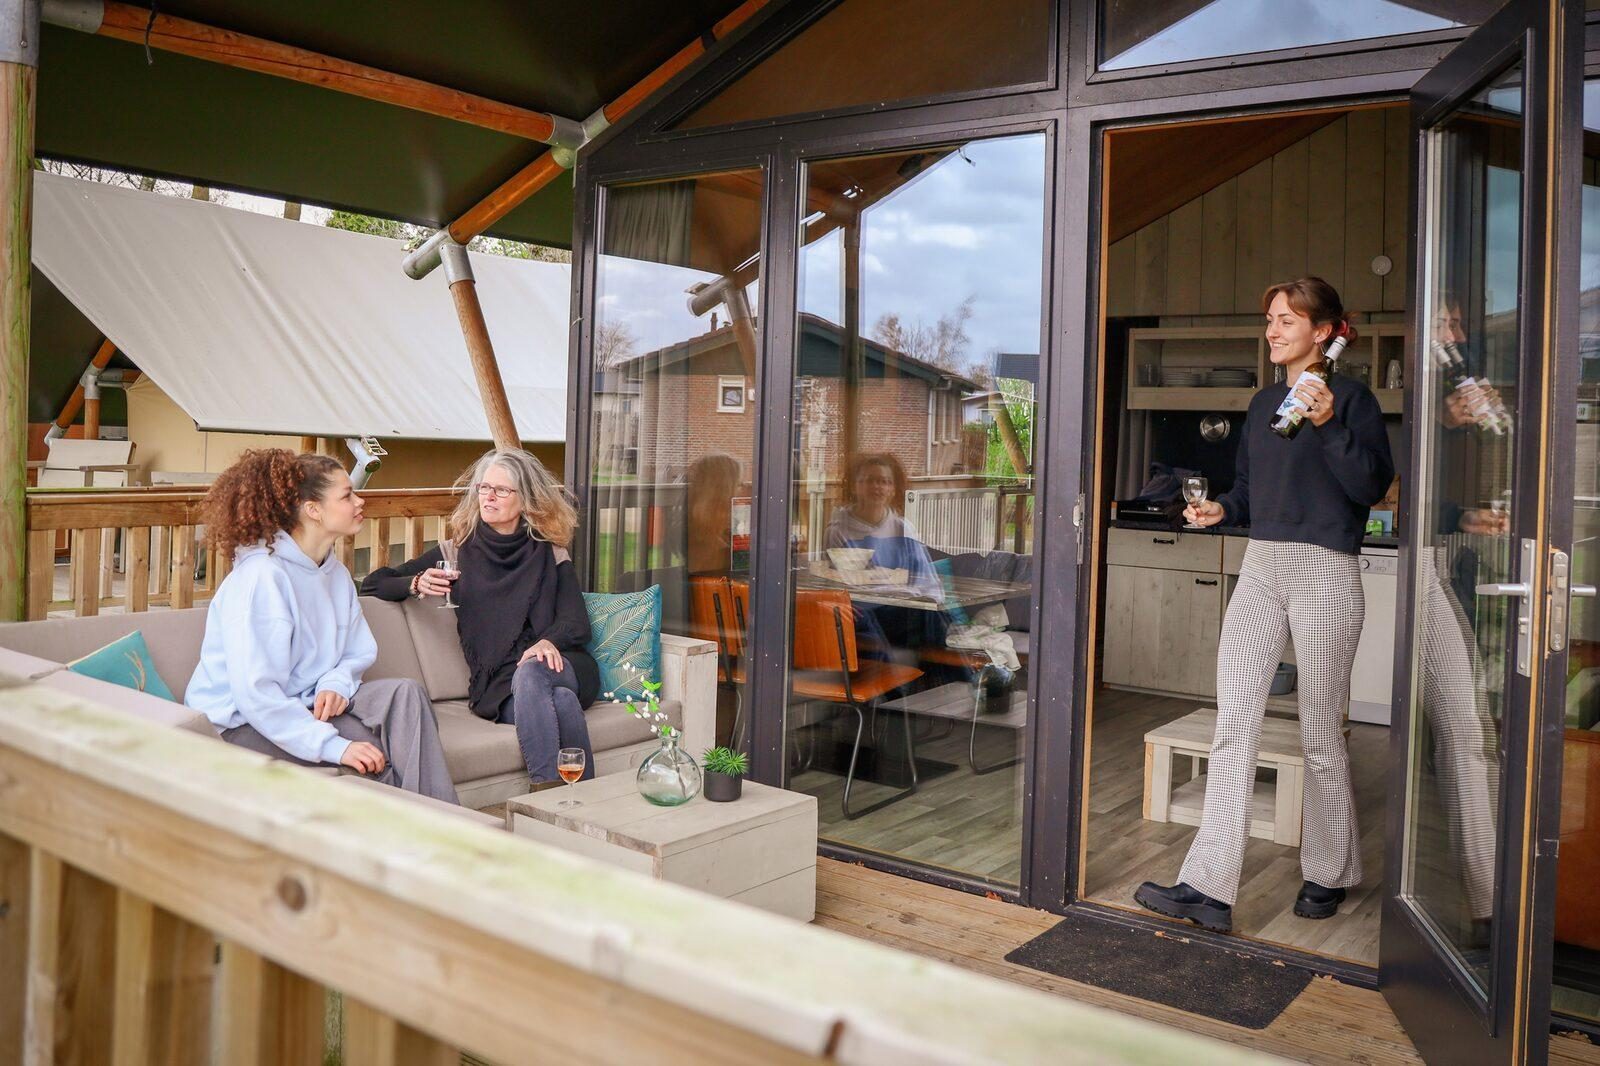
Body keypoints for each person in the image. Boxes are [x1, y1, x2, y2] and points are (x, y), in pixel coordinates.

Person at [1136, 277, 1394, 933]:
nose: (1273, 331)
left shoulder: (1355, 401)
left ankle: (1329, 871)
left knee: (1318, 730)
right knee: (1235, 720)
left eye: (1286, 320)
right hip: (1263, 563)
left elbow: (1370, 485)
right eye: (1271, 320)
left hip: (1327, 567)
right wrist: (1222, 508)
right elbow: (1251, 490)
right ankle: (1209, 887)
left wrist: (1329, 421)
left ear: (1323, 331)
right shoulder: (1262, 403)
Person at [185, 450, 457, 803]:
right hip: (241, 724)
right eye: (346, 495)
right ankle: (438, 835)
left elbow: (356, 651)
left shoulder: (336, 574)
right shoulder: (262, 579)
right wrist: (334, 747)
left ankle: (442, 828)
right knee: (375, 759)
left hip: (305, 705)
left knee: (404, 692)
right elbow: (257, 695)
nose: (360, 501)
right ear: (313, 509)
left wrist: (335, 682)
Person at [362, 449, 599, 785]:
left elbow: (577, 624)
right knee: (560, 703)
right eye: (484, 488)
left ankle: (545, 795)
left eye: (501, 490)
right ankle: (581, 798)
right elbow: (374, 583)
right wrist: (415, 583)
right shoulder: (457, 552)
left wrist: (547, 642)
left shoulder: (550, 551)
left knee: (534, 672)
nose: (488, 496)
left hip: (561, 664)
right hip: (499, 684)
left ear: (526, 500)